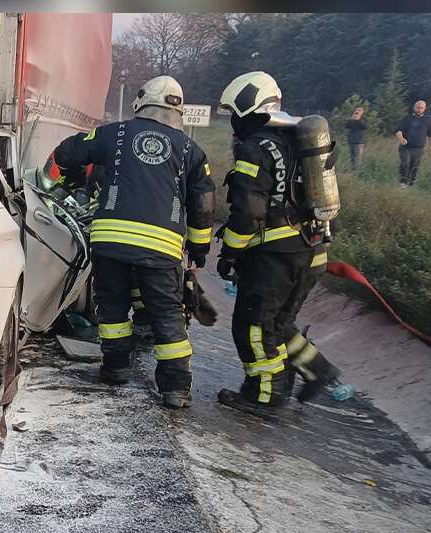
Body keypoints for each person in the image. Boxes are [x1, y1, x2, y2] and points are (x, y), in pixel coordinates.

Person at [51, 75, 215, 409]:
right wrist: (199, 250)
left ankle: (116, 369)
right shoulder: (191, 151)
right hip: (162, 247)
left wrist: (73, 178)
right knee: (167, 315)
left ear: (140, 102)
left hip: (110, 242)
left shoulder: (115, 133)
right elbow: (203, 205)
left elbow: (66, 152)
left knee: (112, 308)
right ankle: (176, 389)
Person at [215, 71, 342, 418]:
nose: (233, 121)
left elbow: (248, 209)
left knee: (253, 326)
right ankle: (318, 370)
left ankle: (265, 395)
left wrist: (230, 251)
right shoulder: (297, 140)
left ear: (248, 106)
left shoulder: (255, 147)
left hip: (276, 257)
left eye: (234, 112)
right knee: (279, 323)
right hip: (313, 250)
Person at [396, 100, 431, 188]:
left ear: (424, 109)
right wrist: (401, 138)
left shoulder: (427, 120)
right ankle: (403, 183)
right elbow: (398, 131)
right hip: (405, 147)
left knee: (414, 166)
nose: (419, 109)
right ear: (414, 107)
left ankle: (411, 184)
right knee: (405, 163)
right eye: (418, 107)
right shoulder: (407, 118)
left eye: (421, 108)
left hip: (419, 149)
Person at [345, 107, 368, 171]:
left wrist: (359, 119)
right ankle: (353, 170)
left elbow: (365, 127)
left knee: (357, 158)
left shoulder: (363, 119)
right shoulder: (352, 119)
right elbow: (346, 126)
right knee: (352, 157)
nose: (357, 112)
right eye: (356, 110)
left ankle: (357, 171)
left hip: (359, 142)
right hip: (351, 141)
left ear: (362, 112)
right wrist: (352, 119)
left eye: (359, 110)